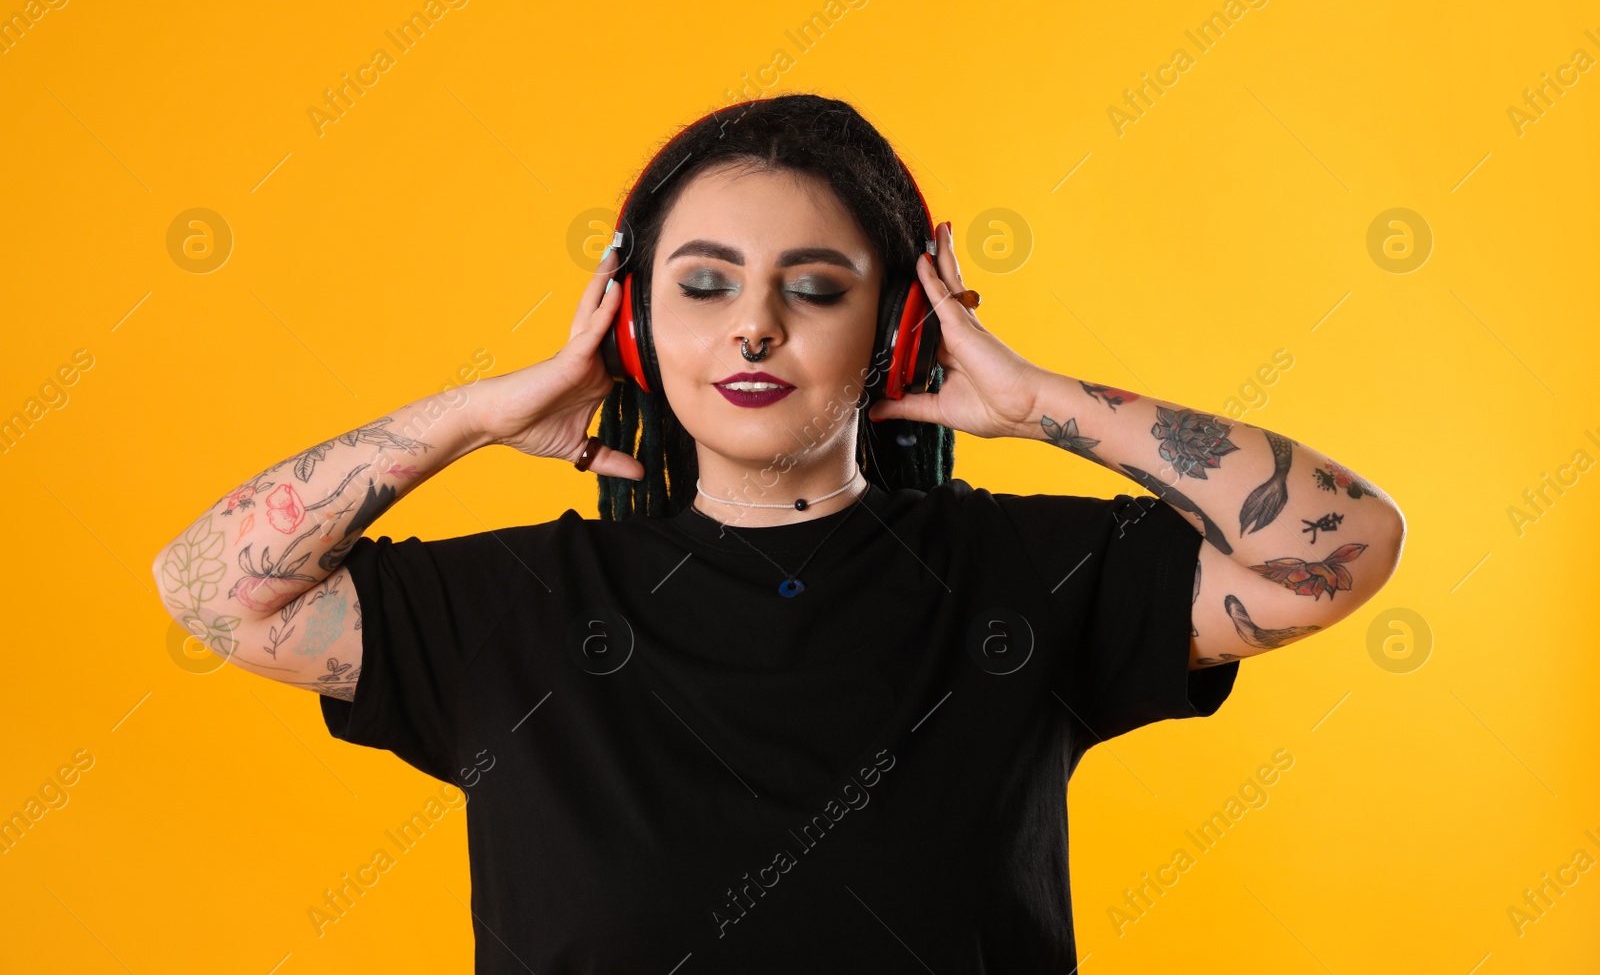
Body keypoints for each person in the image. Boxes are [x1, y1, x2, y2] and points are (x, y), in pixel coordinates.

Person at [152, 94, 1406, 972]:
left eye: (814, 287)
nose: (753, 327)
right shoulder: (510, 606)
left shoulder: (1029, 577)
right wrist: (480, 412)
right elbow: (211, 584)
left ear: (898, 328)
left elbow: (1343, 541)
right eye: (701, 285)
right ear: (634, 328)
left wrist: (1040, 403)